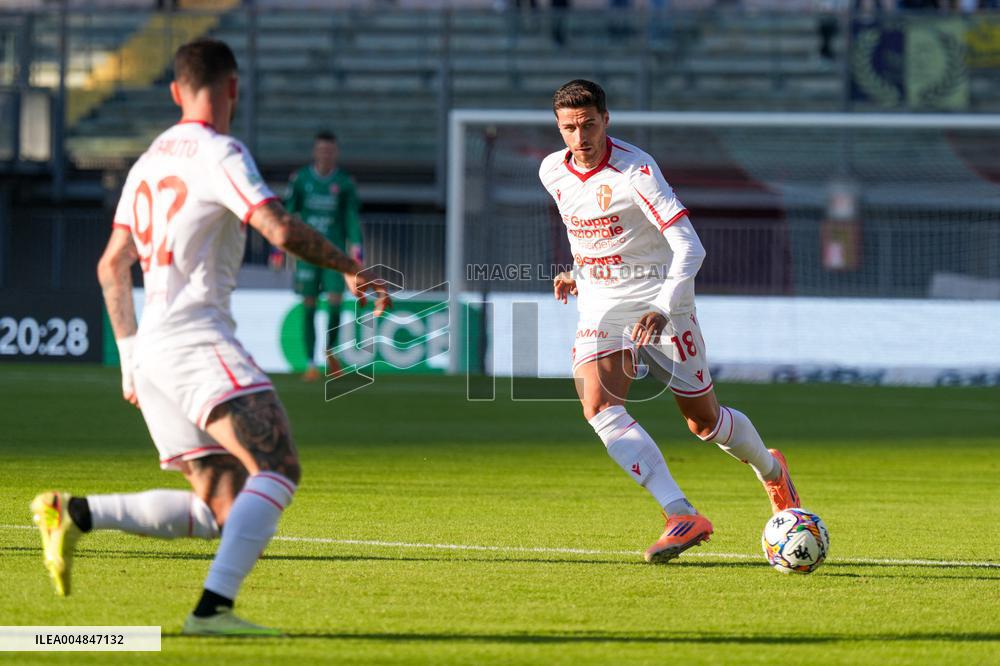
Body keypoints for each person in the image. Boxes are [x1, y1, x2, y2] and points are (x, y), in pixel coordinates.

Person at [29, 38, 389, 635]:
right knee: (278, 466)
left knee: (220, 499)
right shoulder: (220, 152)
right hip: (195, 338)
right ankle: (211, 612)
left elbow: (110, 265)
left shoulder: (147, 160)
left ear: (174, 91)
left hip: (150, 350)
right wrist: (350, 266)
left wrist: (127, 359)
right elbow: (276, 226)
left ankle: (72, 513)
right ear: (233, 89)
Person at [539, 80, 800, 564]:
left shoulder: (636, 170)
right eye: (569, 128)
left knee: (704, 423)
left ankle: (771, 470)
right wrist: (578, 273)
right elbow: (589, 232)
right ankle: (680, 513)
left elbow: (690, 247)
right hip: (601, 307)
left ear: (606, 120)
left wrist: (662, 306)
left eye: (589, 125)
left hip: (662, 304)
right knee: (598, 407)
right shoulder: (552, 170)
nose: (580, 138)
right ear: (559, 128)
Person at [282, 131, 364, 381]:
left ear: (335, 153)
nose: (325, 154)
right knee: (309, 304)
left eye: (329, 150)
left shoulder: (345, 183)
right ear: (315, 152)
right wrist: (279, 247)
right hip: (307, 252)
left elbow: (351, 217)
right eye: (321, 150)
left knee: (336, 303)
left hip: (334, 253)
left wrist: (356, 247)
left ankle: (330, 352)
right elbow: (286, 212)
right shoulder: (301, 180)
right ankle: (310, 362)